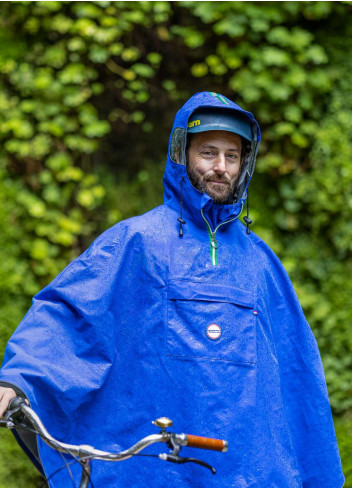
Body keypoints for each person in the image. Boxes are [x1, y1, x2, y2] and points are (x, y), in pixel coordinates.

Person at [0, 91, 344, 488]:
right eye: (209, 153)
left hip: (247, 471)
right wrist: (19, 378)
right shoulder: (136, 241)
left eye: (232, 156)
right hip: (150, 468)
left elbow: (298, 371)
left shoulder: (261, 264)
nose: (221, 167)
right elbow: (70, 315)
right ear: (181, 154)